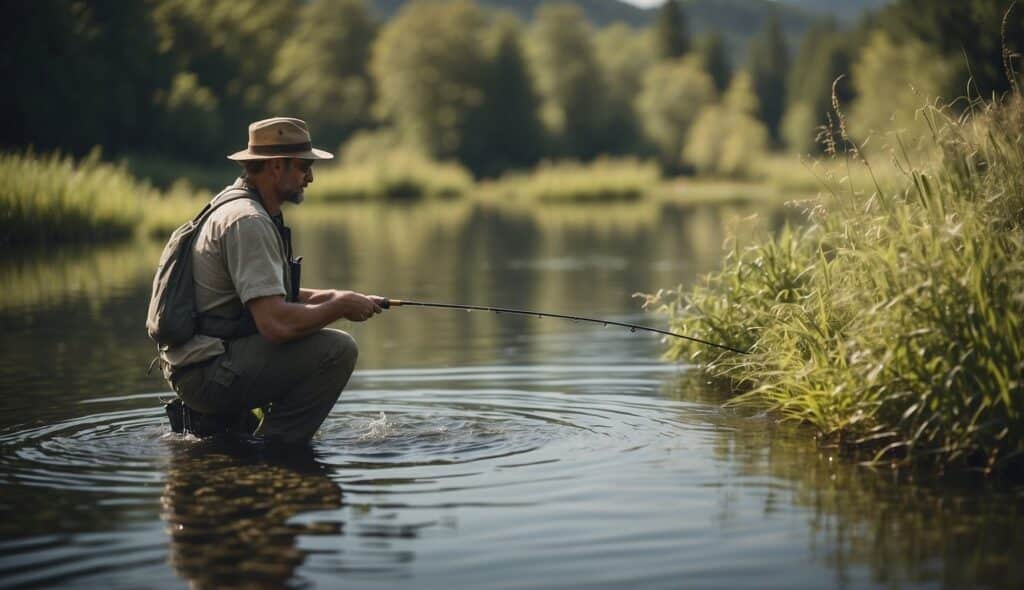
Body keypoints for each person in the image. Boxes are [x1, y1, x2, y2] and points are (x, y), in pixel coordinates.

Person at [159, 117, 382, 445]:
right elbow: (275, 323)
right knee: (338, 350)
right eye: (304, 166)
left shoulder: (235, 205)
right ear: (277, 166)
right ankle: (274, 450)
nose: (311, 177)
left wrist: (335, 295)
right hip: (208, 373)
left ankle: (237, 435)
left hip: (199, 364)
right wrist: (342, 307)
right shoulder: (249, 222)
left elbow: (261, 295)